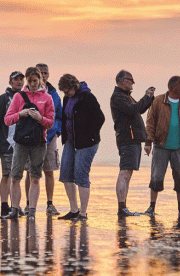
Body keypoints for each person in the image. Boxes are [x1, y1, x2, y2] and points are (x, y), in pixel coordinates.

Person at [2, 67, 55, 220]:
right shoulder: (19, 97)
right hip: (21, 142)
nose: (32, 84)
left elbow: (50, 123)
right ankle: (14, 210)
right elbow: (8, 119)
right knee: (15, 176)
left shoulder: (47, 98)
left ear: (40, 80)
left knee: (35, 176)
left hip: (39, 142)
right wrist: (20, 114)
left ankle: (32, 211)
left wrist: (40, 118)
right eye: (30, 81)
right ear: (26, 80)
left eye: (35, 81)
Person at [143, 76, 180, 217]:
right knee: (156, 177)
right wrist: (148, 142)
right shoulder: (158, 101)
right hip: (161, 146)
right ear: (172, 87)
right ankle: (151, 208)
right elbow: (150, 123)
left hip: (179, 148)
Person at [57, 74, 105, 221]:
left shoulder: (88, 97)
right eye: (64, 92)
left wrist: (89, 134)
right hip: (71, 141)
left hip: (87, 142)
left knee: (81, 175)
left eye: (67, 91)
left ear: (74, 86)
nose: (65, 94)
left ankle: (83, 213)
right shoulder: (67, 99)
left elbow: (100, 118)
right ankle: (74, 210)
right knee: (65, 173)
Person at [110, 70, 154, 216]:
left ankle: (123, 207)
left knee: (127, 173)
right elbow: (133, 109)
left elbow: (138, 109)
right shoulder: (118, 97)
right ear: (122, 80)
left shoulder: (125, 97)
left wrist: (150, 99)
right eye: (130, 80)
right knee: (125, 172)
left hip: (132, 139)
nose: (133, 83)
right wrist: (146, 96)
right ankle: (121, 207)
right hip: (127, 139)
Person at [23, 63, 62, 216]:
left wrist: (57, 131)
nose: (43, 75)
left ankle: (50, 204)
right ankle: (28, 204)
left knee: (49, 170)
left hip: (50, 136)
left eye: (46, 73)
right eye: (41, 73)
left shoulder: (53, 93)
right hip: (32, 138)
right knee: (30, 172)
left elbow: (59, 114)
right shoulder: (26, 93)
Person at [0, 71, 25, 217]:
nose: (19, 82)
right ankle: (4, 206)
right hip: (6, 143)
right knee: (7, 175)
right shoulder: (3, 99)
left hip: (22, 144)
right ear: (10, 82)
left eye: (21, 79)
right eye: (16, 79)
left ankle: (15, 206)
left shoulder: (25, 98)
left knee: (17, 176)